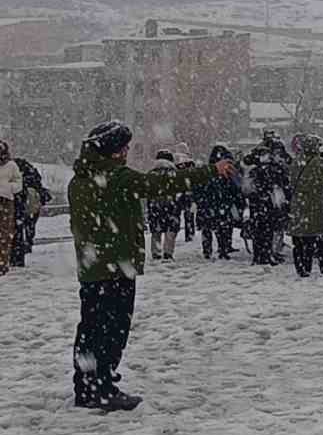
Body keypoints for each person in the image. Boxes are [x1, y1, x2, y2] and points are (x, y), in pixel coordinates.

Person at [68, 120, 230, 410]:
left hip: (92, 268)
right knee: (113, 329)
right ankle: (101, 387)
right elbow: (160, 184)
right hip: (115, 267)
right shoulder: (117, 177)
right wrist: (211, 171)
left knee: (90, 329)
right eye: (125, 147)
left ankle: (86, 385)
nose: (128, 152)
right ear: (114, 152)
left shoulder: (79, 179)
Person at [288, 135, 323, 279]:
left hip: (299, 204)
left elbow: (290, 182)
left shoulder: (296, 162)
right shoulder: (320, 162)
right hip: (318, 203)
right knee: (322, 239)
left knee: (302, 239)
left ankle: (303, 267)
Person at [194, 145, 244, 260]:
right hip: (222, 203)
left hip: (210, 204)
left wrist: (201, 200)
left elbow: (199, 188)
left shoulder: (208, 171)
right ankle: (223, 249)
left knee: (209, 228)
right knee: (223, 227)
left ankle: (209, 250)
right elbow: (234, 188)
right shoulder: (226, 171)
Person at [10, 154, 51, 269]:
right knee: (26, 227)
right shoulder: (27, 171)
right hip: (26, 206)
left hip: (20, 206)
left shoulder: (13, 171)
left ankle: (19, 252)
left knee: (17, 230)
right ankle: (25, 246)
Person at [145, 150, 183, 262]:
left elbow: (147, 191)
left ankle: (156, 253)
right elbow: (180, 190)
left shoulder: (151, 173)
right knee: (171, 231)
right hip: (172, 206)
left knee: (156, 231)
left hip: (155, 206)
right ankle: (168, 253)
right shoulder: (175, 173)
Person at [0, 140, 22, 275]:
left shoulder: (11, 165)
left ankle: (2, 263)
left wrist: (8, 188)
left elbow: (18, 182)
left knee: (4, 234)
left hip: (6, 201)